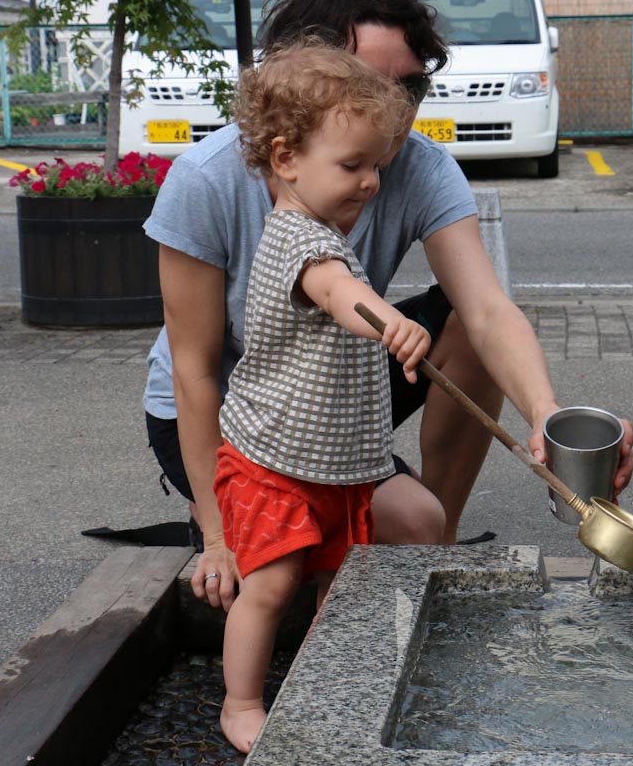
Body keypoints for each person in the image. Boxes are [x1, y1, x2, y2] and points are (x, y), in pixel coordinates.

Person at [143, 0, 633, 614]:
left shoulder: (419, 168)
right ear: (306, 79)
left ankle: (437, 547)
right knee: (270, 570)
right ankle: (222, 508)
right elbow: (193, 370)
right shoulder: (206, 179)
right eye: (375, 84)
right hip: (227, 408)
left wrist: (547, 417)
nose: (400, 110)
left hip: (331, 389)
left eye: (412, 85)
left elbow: (485, 311)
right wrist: (218, 534)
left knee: (418, 520)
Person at [213, 43, 425, 752]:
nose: (369, 183)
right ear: (285, 158)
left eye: (376, 166)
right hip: (272, 461)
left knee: (339, 589)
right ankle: (240, 703)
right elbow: (337, 291)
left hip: (333, 464)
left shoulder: (324, 226)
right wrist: (387, 318)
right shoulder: (302, 240)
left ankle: (322, 690)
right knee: (270, 586)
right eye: (352, 166)